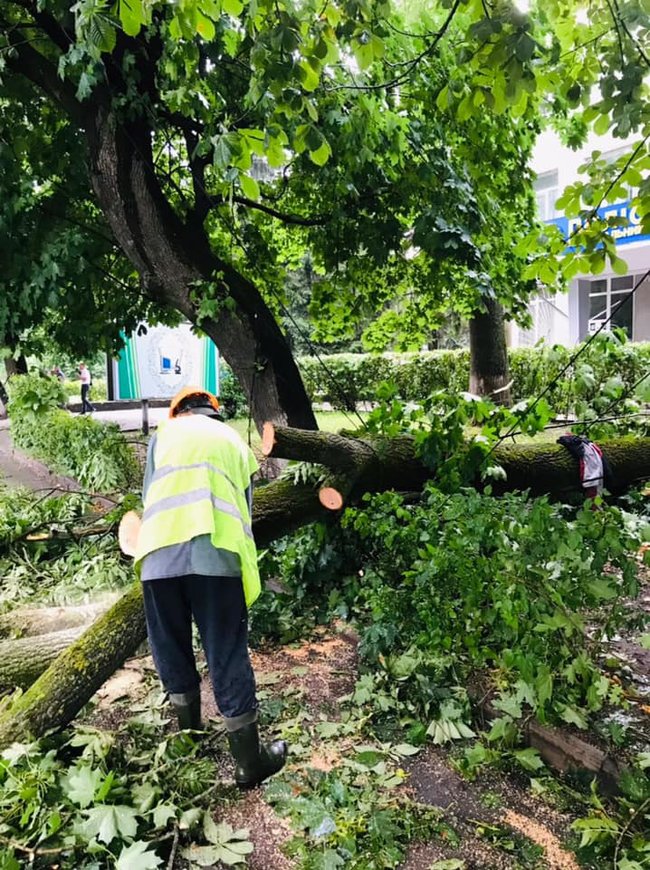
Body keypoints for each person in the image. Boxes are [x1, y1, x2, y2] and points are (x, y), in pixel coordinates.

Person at [133, 386, 287, 788]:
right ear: (213, 412)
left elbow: (150, 496)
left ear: (177, 413)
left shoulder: (161, 437)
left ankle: (189, 739)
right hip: (216, 556)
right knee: (226, 652)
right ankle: (248, 762)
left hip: (158, 556)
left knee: (171, 646)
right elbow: (246, 510)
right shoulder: (233, 441)